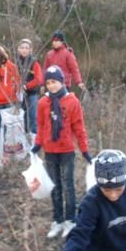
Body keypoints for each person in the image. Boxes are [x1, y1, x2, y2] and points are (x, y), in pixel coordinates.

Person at [32, 66, 91, 238]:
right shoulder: (43, 103)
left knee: (68, 186)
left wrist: (85, 150)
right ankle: (57, 220)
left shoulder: (72, 102)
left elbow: (79, 128)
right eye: (48, 82)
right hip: (50, 151)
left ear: (62, 81)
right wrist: (37, 144)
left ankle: (70, 220)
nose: (51, 86)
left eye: (54, 82)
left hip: (66, 151)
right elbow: (41, 126)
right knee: (54, 187)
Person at [16, 38, 43, 134]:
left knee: (32, 116)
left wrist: (26, 86)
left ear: (30, 50)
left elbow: (38, 79)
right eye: (22, 48)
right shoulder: (16, 62)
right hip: (20, 94)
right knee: (22, 116)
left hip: (32, 93)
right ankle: (24, 138)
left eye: (26, 48)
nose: (24, 50)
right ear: (18, 49)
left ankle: (34, 140)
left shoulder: (34, 62)